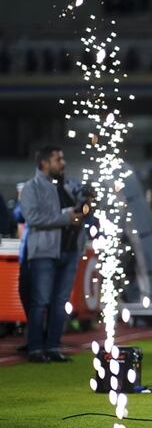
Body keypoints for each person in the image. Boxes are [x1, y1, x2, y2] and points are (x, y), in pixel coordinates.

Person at [19, 146, 91, 363]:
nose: (63, 163)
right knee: (40, 301)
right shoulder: (32, 188)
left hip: (69, 251)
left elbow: (80, 212)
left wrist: (86, 203)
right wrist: (67, 217)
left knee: (60, 302)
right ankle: (34, 348)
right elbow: (33, 218)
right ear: (44, 163)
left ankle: (52, 347)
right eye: (57, 159)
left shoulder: (68, 186)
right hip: (44, 252)